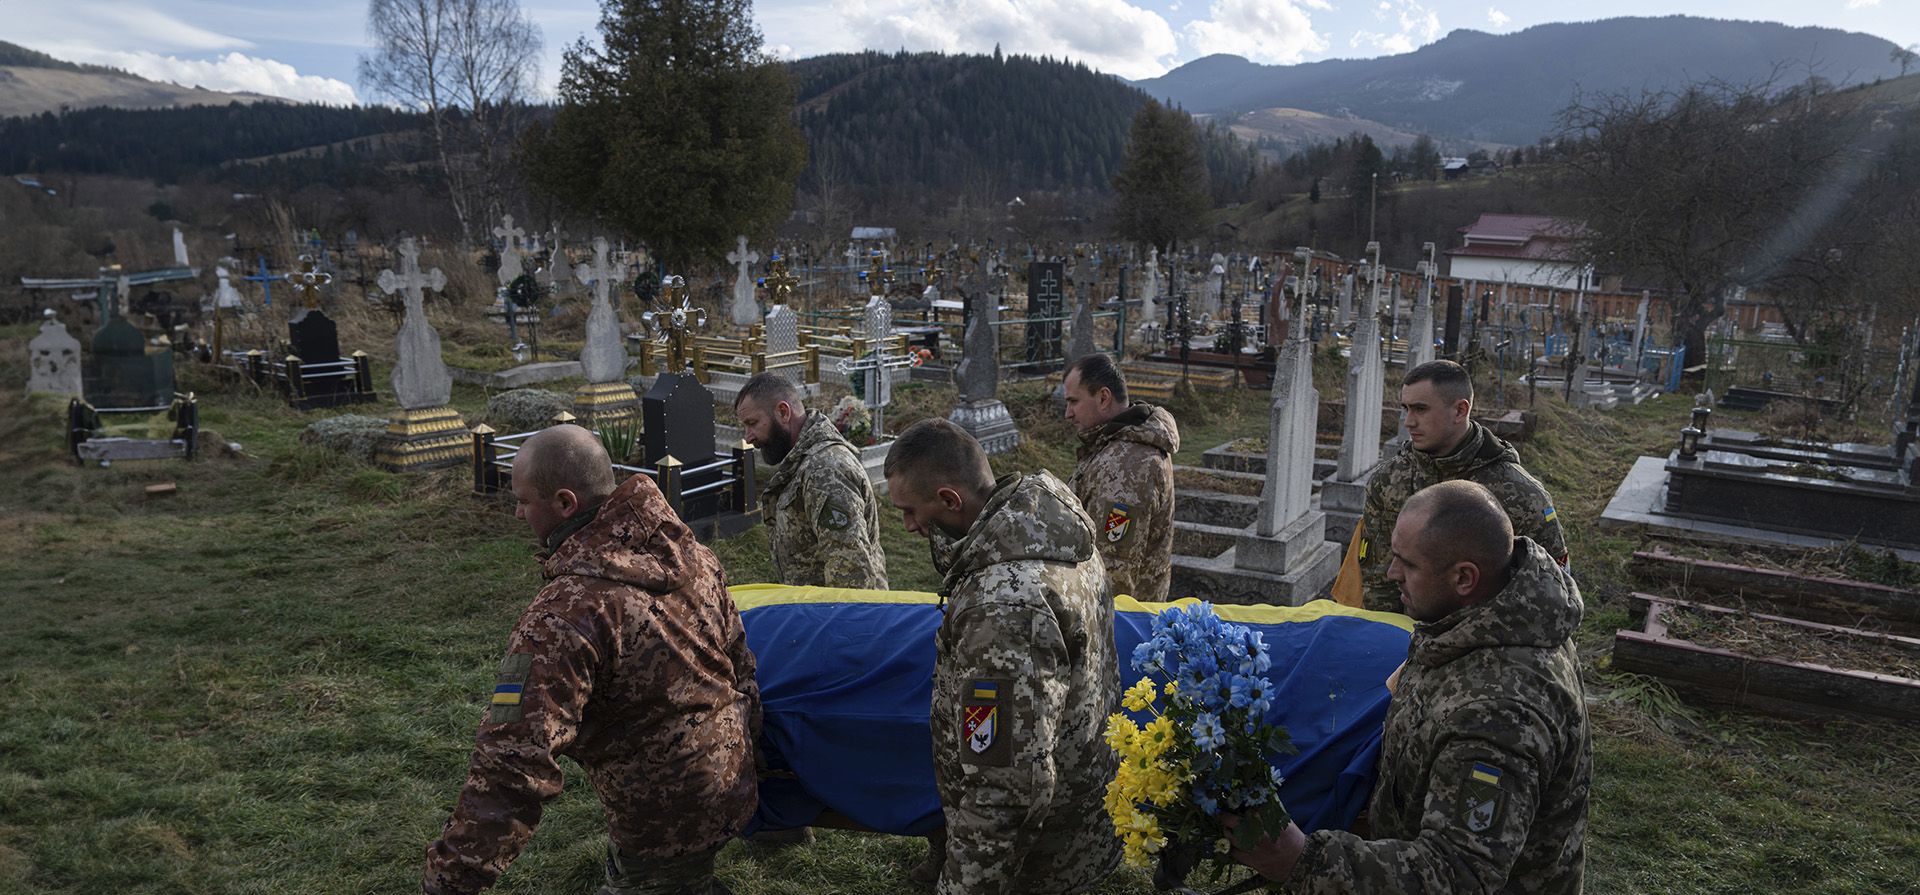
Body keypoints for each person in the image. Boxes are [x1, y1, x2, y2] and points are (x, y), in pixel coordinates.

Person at [422, 425, 760, 895]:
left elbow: (512, 761)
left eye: (522, 500)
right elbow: (742, 666)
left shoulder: (561, 617)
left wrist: (451, 880)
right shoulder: (695, 556)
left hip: (660, 818)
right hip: (729, 780)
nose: (518, 513)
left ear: (565, 504)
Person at [1228, 480, 1592, 893]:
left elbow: (1457, 876)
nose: (1390, 573)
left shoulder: (1501, 712)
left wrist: (1301, 860)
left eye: (1408, 564)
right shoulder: (1490, 616)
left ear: (1464, 578)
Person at [883, 418, 1121, 895]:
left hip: (1037, 862)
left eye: (911, 511)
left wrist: (962, 886)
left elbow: (1009, 788)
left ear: (950, 500)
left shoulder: (1005, 607)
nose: (908, 526)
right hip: (1084, 818)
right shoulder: (1051, 529)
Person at [1359, 359, 1567, 613]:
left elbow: (1555, 593)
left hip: (1482, 645)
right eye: (1406, 409)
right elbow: (1376, 579)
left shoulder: (1521, 495)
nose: (1409, 422)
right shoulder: (1389, 480)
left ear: (1460, 410)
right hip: (1400, 639)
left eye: (1420, 409)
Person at [735, 373, 888, 590]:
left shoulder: (825, 470)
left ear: (783, 412)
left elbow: (852, 576)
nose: (748, 437)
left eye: (752, 423)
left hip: (836, 618)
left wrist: (831, 623)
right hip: (816, 613)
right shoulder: (804, 462)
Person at [1062, 353, 1180, 600]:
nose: (1068, 414)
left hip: (1121, 624)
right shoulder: (1113, 445)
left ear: (1104, 398)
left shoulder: (1129, 468)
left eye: (1074, 402)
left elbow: (1114, 574)